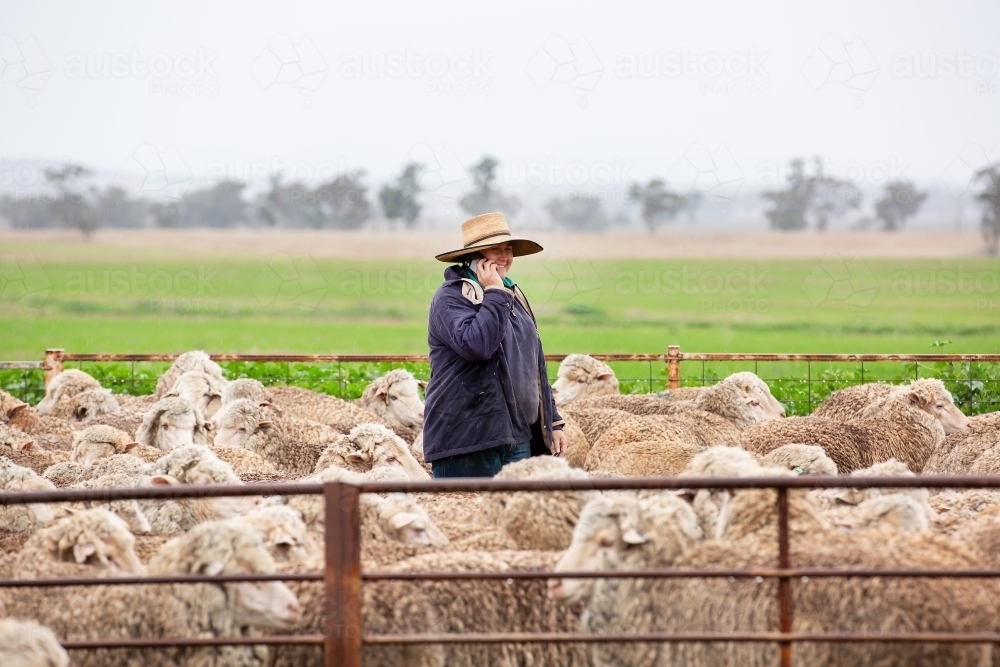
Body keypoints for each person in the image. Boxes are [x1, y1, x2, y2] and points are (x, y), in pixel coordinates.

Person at [422, 212, 567, 478]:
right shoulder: (451, 297)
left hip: (518, 435)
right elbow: (478, 347)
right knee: (464, 516)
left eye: (508, 249)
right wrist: (495, 292)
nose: (504, 257)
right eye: (495, 249)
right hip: (469, 438)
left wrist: (553, 420)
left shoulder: (512, 294)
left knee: (512, 516)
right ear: (475, 256)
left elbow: (533, 363)